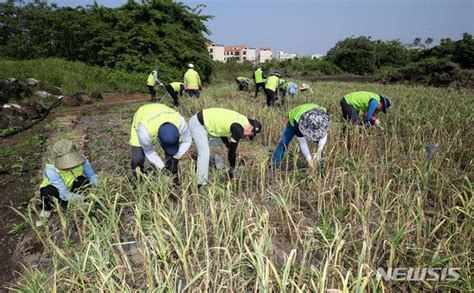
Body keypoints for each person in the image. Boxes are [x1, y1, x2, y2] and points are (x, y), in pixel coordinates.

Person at [188, 108, 262, 188]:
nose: (247, 137)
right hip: (198, 124)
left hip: (205, 122)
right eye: (249, 135)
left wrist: (227, 145)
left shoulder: (242, 120)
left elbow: (223, 130)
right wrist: (232, 168)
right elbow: (232, 152)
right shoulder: (238, 129)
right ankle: (201, 184)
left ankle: (215, 168)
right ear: (250, 128)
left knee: (217, 144)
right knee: (204, 153)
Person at [129, 103, 192, 186]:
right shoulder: (144, 130)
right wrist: (162, 167)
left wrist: (177, 155)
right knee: (137, 158)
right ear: (158, 139)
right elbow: (149, 152)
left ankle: (174, 177)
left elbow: (187, 141)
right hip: (142, 116)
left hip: (161, 109)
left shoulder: (180, 122)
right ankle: (138, 182)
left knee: (172, 156)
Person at [38, 139, 98, 224]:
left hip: (72, 186)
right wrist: (83, 199)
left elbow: (92, 176)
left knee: (83, 181)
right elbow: (64, 193)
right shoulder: (51, 169)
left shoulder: (82, 160)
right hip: (58, 191)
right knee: (47, 191)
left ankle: (74, 200)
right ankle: (47, 209)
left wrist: (97, 189)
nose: (68, 167)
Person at [273, 104, 330, 168]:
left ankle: (320, 166)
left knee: (320, 148)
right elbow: (303, 143)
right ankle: (275, 164)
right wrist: (310, 160)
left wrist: (319, 151)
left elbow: (324, 136)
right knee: (283, 142)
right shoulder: (297, 123)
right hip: (294, 119)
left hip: (312, 115)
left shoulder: (323, 118)